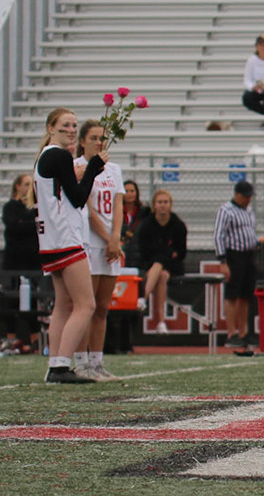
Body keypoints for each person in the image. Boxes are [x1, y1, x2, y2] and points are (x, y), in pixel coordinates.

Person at [34, 107, 105, 383]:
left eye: (75, 125)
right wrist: (93, 169)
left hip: (51, 238)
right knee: (86, 305)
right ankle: (61, 366)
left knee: (63, 305)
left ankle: (56, 363)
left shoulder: (46, 155)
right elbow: (77, 198)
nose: (72, 130)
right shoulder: (59, 155)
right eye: (65, 125)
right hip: (64, 237)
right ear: (51, 127)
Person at [75, 119, 124, 381]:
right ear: (82, 141)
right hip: (91, 242)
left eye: (102, 138)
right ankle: (81, 362)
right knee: (87, 305)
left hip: (110, 245)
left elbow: (118, 205)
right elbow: (88, 209)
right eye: (93, 138)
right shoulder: (78, 167)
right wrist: (107, 239)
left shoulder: (114, 169)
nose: (98, 142)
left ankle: (97, 362)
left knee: (103, 307)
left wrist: (116, 237)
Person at [215, 179, 263, 355]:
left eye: (250, 196)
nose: (248, 199)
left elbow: (249, 232)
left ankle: (243, 332)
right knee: (232, 294)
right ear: (237, 194)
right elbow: (219, 235)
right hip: (234, 255)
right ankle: (231, 333)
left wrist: (258, 244)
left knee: (245, 296)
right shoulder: (226, 210)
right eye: (245, 196)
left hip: (249, 254)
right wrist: (222, 261)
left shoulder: (249, 210)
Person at [133, 188, 188, 326]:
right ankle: (162, 322)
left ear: (170, 204)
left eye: (165, 202)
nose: (163, 205)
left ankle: (143, 298)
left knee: (159, 264)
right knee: (161, 275)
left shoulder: (178, 225)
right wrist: (167, 251)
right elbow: (144, 250)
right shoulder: (147, 225)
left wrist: (161, 252)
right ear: (154, 205)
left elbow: (181, 252)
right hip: (151, 263)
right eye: (160, 202)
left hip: (172, 265)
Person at [1, 171, 41, 352]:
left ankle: (35, 340)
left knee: (33, 301)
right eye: (26, 184)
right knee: (11, 300)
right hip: (14, 260)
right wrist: (30, 224)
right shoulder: (10, 207)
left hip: (32, 260)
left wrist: (25, 223)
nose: (28, 188)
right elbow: (13, 226)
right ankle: (11, 340)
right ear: (17, 186)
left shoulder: (35, 207)